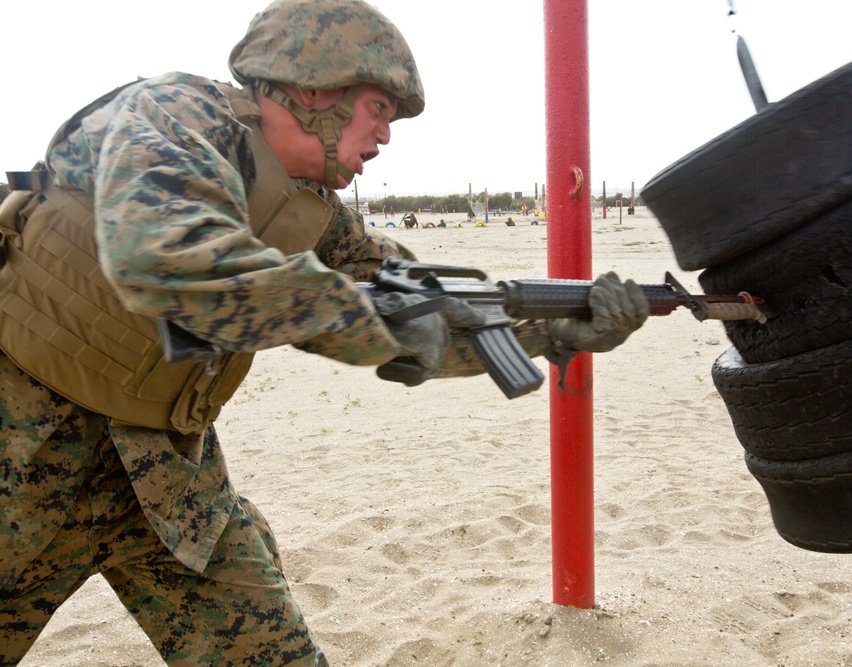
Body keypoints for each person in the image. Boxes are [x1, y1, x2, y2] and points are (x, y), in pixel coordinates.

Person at [0, 0, 649, 664]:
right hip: (21, 444)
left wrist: (558, 331)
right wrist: (376, 322)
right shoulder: (172, 117)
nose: (386, 136)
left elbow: (421, 302)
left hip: (163, 479)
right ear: (315, 89)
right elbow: (171, 262)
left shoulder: (314, 211)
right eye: (379, 110)